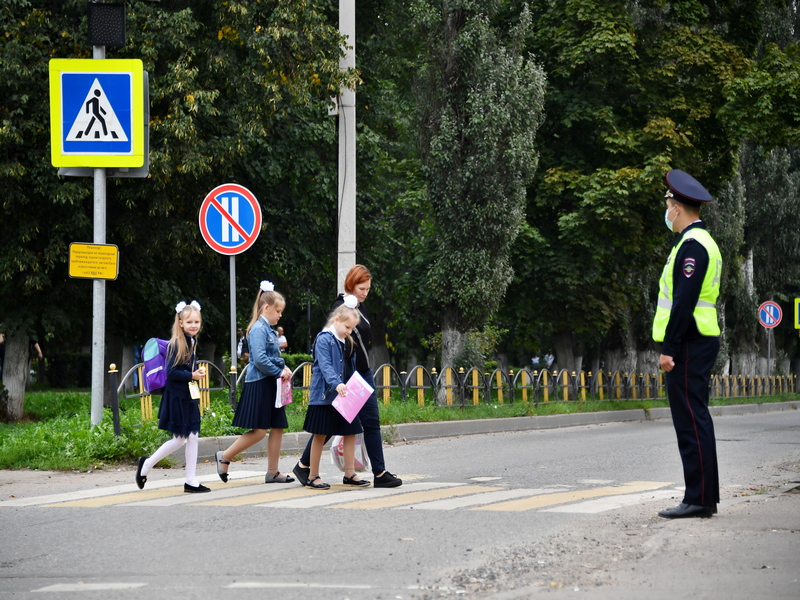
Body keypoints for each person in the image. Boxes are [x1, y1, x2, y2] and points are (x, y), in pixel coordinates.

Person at [293, 264, 403, 488]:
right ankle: (308, 468)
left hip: (359, 374)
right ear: (351, 285)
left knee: (364, 422)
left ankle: (377, 472)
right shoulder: (340, 308)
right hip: (344, 378)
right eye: (362, 288)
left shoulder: (362, 307)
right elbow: (330, 352)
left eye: (368, 289)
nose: (365, 293)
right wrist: (338, 381)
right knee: (326, 425)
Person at [653, 169, 722, 519]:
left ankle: (699, 498)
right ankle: (702, 496)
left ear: (677, 208)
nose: (665, 209)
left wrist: (669, 348)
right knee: (695, 417)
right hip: (697, 339)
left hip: (690, 342)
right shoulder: (696, 243)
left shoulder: (694, 247)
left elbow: (683, 302)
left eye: (667, 202)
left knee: (691, 421)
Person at [215, 281, 294, 484]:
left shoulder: (269, 329)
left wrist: (283, 369)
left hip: (271, 383)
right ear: (266, 308)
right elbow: (258, 359)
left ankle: (273, 472)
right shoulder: (258, 329)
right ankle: (224, 456)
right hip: (259, 383)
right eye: (278, 311)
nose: (280, 315)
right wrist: (279, 370)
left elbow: (271, 356)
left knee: (277, 427)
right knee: (259, 431)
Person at [136, 301, 209, 493]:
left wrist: (194, 372)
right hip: (177, 397)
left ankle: (191, 481)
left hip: (187, 395)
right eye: (189, 322)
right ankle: (146, 465)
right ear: (181, 323)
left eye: (197, 322)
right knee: (179, 440)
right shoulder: (178, 343)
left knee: (192, 437)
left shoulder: (191, 341)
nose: (194, 325)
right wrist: (192, 375)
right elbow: (172, 372)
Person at [300, 300, 369, 489]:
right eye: (347, 327)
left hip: (345, 395)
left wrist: (355, 387)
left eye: (352, 328)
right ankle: (313, 476)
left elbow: (350, 367)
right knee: (320, 435)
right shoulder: (324, 338)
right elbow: (325, 365)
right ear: (336, 319)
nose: (349, 331)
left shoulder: (347, 340)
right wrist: (336, 383)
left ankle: (349, 473)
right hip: (325, 396)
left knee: (350, 431)